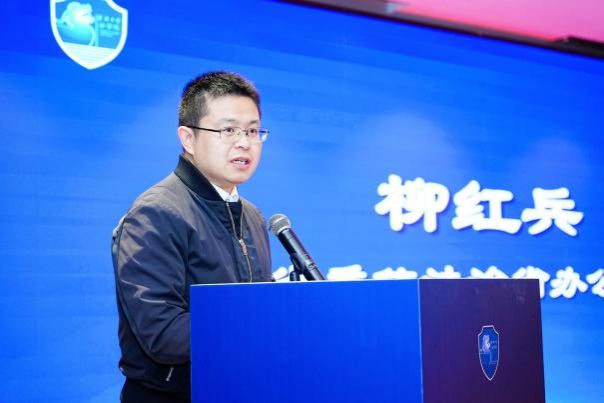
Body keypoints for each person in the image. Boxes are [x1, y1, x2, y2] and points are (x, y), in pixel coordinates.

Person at [112, 71, 273, 402]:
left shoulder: (253, 216)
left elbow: (261, 305)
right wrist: (258, 330)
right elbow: (162, 332)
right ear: (188, 138)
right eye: (228, 130)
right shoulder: (156, 212)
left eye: (252, 131)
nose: (244, 142)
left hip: (240, 388)